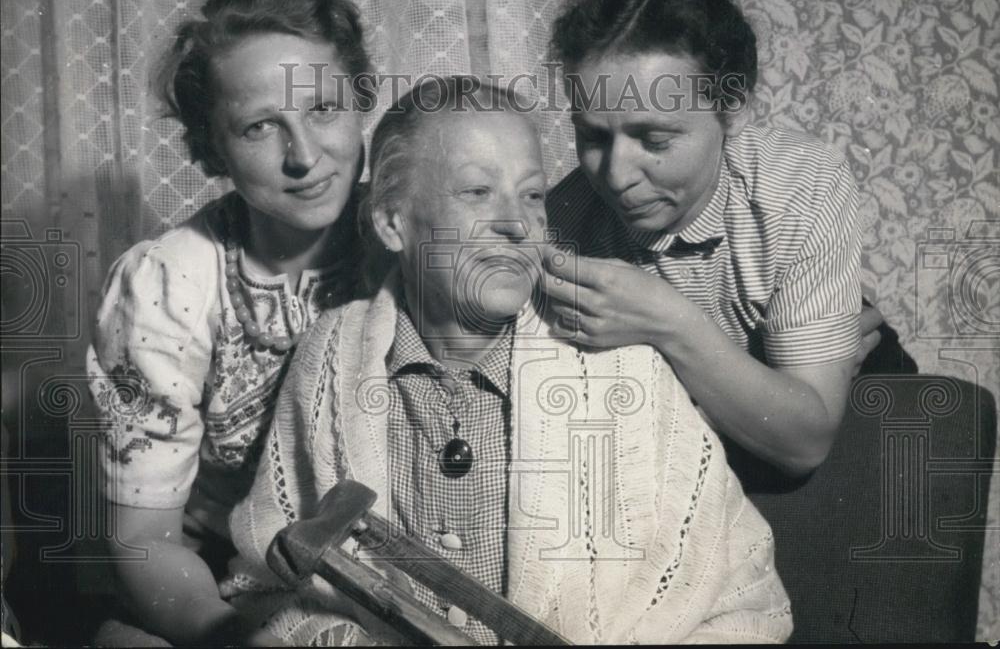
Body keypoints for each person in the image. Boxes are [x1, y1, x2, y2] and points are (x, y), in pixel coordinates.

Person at [221, 77, 793, 645]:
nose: (517, 224)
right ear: (393, 222)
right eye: (477, 192)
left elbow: (747, 605)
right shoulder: (332, 355)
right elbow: (265, 582)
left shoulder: (623, 370)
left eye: (533, 195)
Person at [86, 0, 371, 646]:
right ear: (212, 148)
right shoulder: (168, 285)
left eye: (324, 108)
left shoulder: (414, 236)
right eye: (259, 127)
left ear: (362, 101)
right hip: (218, 589)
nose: (304, 156)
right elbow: (145, 542)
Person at [544, 0, 881, 478]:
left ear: (732, 109)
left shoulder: (802, 183)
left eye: (655, 140)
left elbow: (805, 442)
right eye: (592, 138)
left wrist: (666, 320)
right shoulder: (559, 220)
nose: (616, 175)